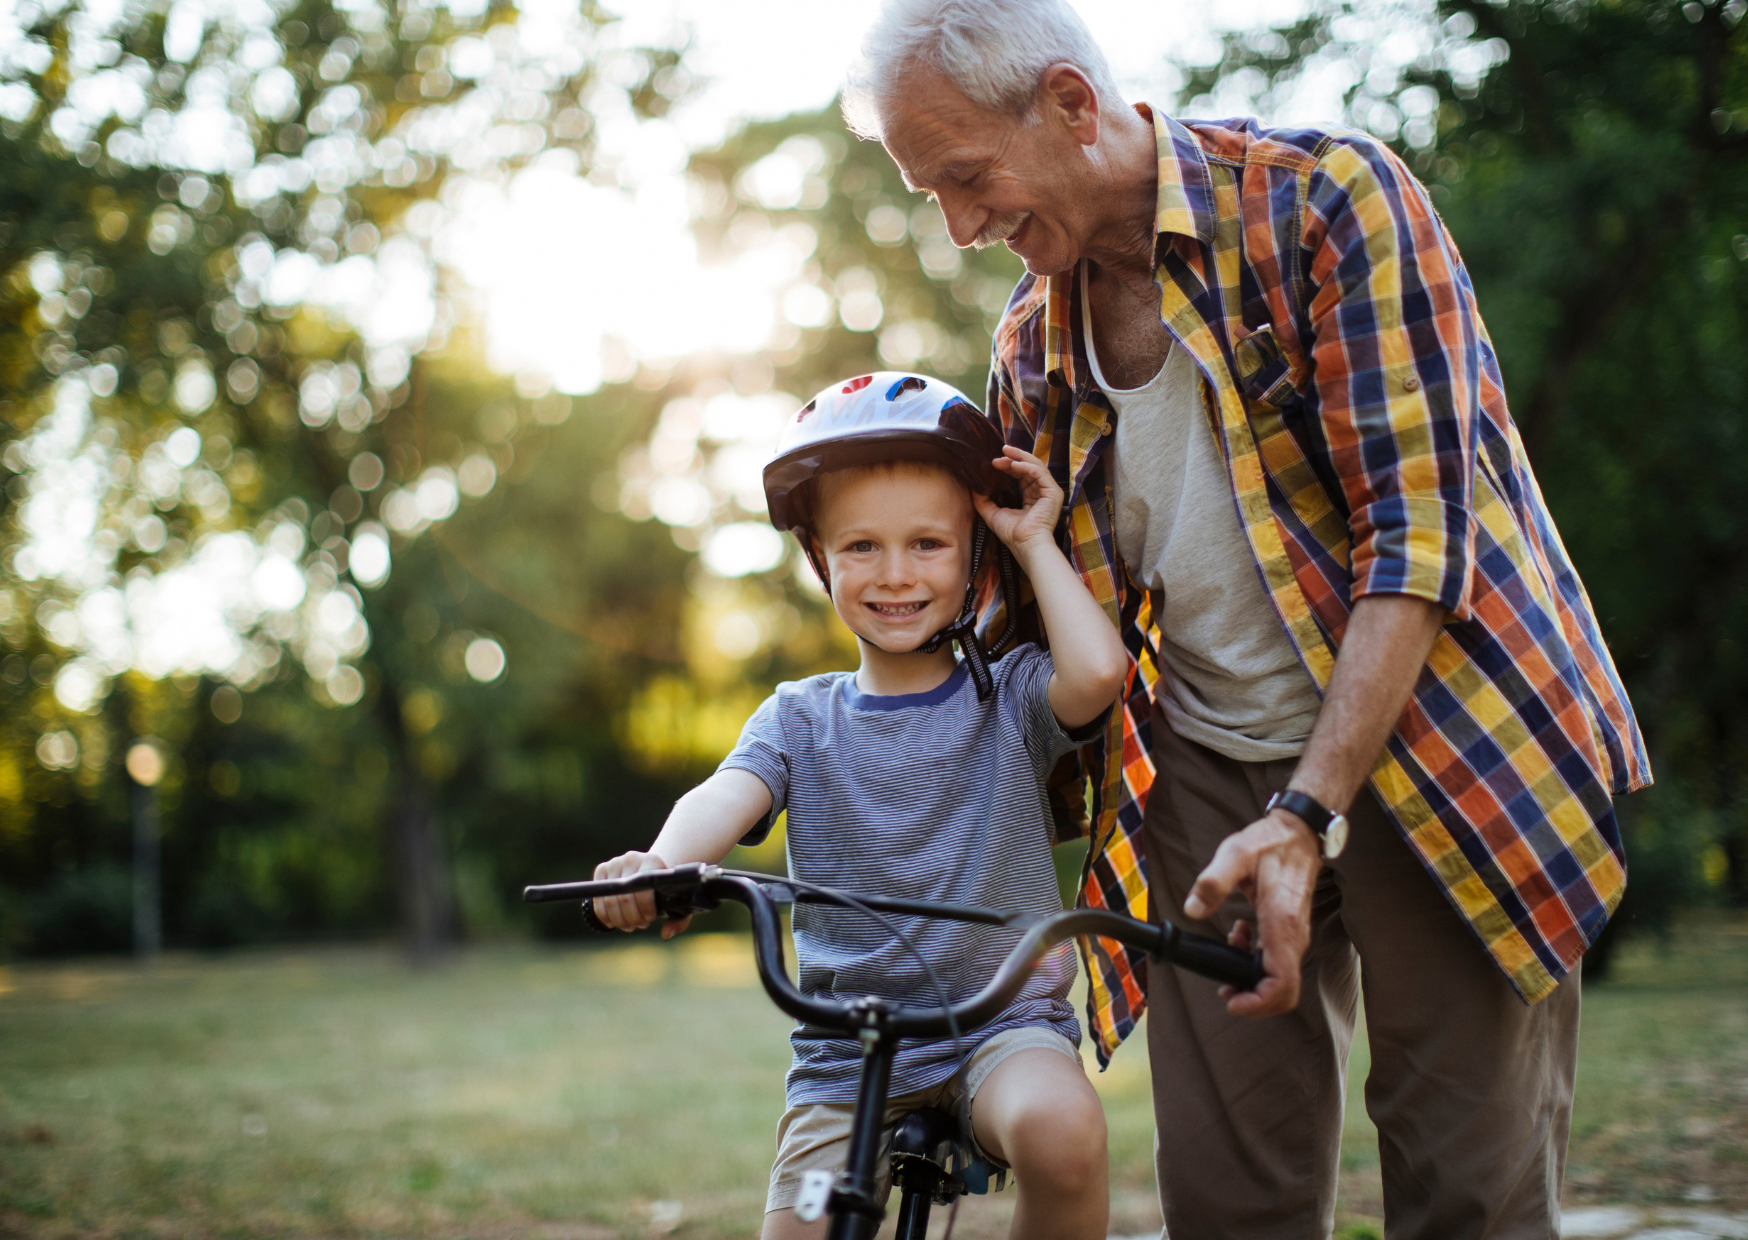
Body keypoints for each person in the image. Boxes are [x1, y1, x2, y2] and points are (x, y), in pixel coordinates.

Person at [845, 2, 1651, 1237]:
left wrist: (1307, 812)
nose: (960, 229)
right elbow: (1020, 645)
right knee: (1227, 1202)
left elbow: (1417, 537)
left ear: (1069, 104)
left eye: (965, 177)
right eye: (931, 194)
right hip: (1203, 764)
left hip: (1429, 730)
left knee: (1467, 1187)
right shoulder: (1030, 342)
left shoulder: (1327, 204)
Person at [591, 372, 1129, 1240]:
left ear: (973, 553)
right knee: (803, 1227)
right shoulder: (801, 718)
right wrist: (661, 865)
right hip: (847, 1053)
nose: (895, 575)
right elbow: (721, 798)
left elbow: (1102, 674)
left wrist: (1031, 539)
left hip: (1003, 1027)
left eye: (929, 544)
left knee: (1064, 1133)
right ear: (820, 559)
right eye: (861, 548)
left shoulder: (1015, 696)